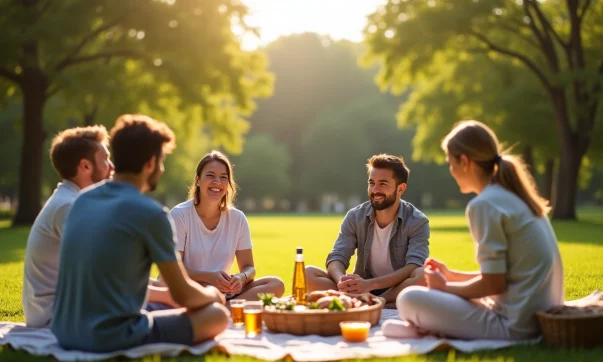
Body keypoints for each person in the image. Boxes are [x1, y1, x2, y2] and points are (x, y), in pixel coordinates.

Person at [51, 114, 228, 352]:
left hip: (64, 331)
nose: (162, 168)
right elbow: (183, 293)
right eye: (161, 160)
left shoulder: (82, 200)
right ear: (150, 163)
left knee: (169, 309)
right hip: (110, 336)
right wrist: (213, 294)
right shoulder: (151, 213)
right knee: (217, 315)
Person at [383, 120, 564, 340]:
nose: (451, 171)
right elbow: (505, 276)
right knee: (425, 299)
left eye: (451, 163)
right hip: (537, 315)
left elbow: (493, 284)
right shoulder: (513, 197)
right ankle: (428, 326)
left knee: (408, 298)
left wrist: (445, 288)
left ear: (465, 161)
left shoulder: (484, 205)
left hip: (515, 325)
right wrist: (451, 275)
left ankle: (426, 326)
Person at [305, 154, 430, 306]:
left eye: (383, 184)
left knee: (424, 275)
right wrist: (342, 282)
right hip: (360, 288)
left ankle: (380, 301)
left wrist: (371, 284)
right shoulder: (355, 216)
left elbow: (414, 265)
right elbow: (338, 256)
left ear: (401, 188)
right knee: (307, 273)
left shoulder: (417, 221)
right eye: (372, 183)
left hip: (397, 288)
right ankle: (366, 300)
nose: (375, 190)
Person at [22, 125, 114, 328]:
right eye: (105, 159)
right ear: (85, 166)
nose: (112, 167)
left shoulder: (70, 200)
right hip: (55, 317)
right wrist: (166, 294)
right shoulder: (69, 206)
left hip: (67, 309)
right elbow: (104, 276)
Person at [168, 151, 285, 301]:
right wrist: (209, 277)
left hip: (222, 291)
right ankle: (221, 311)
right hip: (188, 289)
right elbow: (172, 270)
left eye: (223, 177)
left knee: (276, 284)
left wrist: (241, 278)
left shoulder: (237, 218)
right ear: (197, 180)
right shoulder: (180, 215)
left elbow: (249, 268)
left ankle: (222, 310)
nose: (217, 181)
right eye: (210, 175)